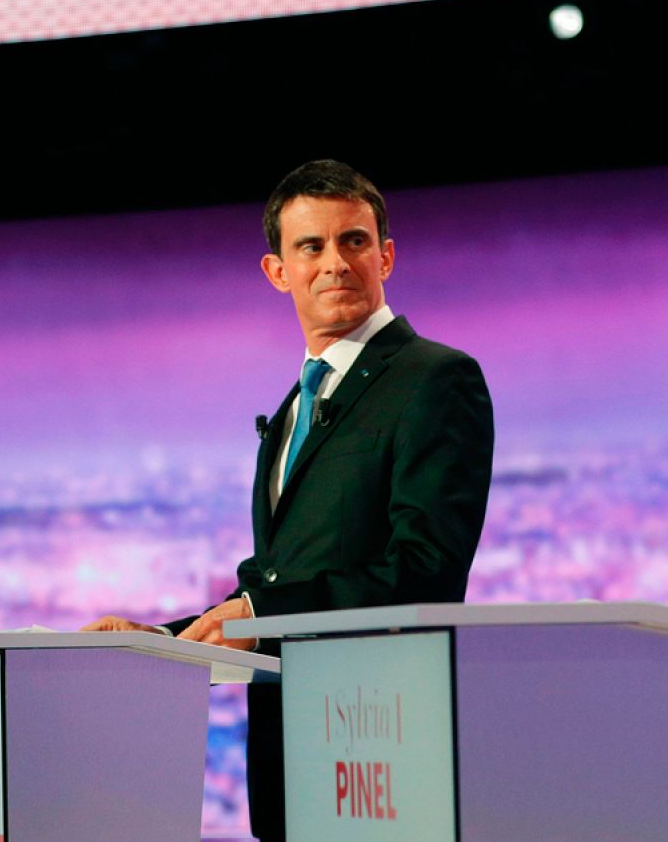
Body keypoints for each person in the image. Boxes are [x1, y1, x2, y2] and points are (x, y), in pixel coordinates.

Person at [84, 159, 494, 840]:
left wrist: (257, 611)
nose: (335, 262)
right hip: (289, 756)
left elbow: (426, 572)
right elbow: (275, 585)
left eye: (354, 241)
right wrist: (160, 641)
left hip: (377, 754)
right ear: (278, 271)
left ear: (386, 256)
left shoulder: (437, 379)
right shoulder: (293, 407)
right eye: (311, 246)